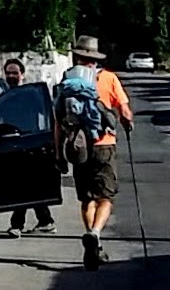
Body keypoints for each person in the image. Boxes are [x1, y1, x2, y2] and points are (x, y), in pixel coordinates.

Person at [62, 35, 133, 270]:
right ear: (94, 57)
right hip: (104, 144)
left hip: (79, 145)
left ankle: (93, 244)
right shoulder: (109, 78)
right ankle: (95, 233)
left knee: (87, 198)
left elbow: (57, 119)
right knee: (106, 197)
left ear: (77, 56)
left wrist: (58, 151)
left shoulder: (67, 80)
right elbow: (124, 111)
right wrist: (127, 123)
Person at [2, 57, 56, 237]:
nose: (11, 76)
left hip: (30, 144)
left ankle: (17, 224)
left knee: (23, 186)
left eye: (14, 73)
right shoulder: (4, 97)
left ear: (22, 75)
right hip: (10, 145)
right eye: (8, 73)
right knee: (29, 186)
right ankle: (46, 220)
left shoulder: (30, 94)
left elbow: (46, 114)